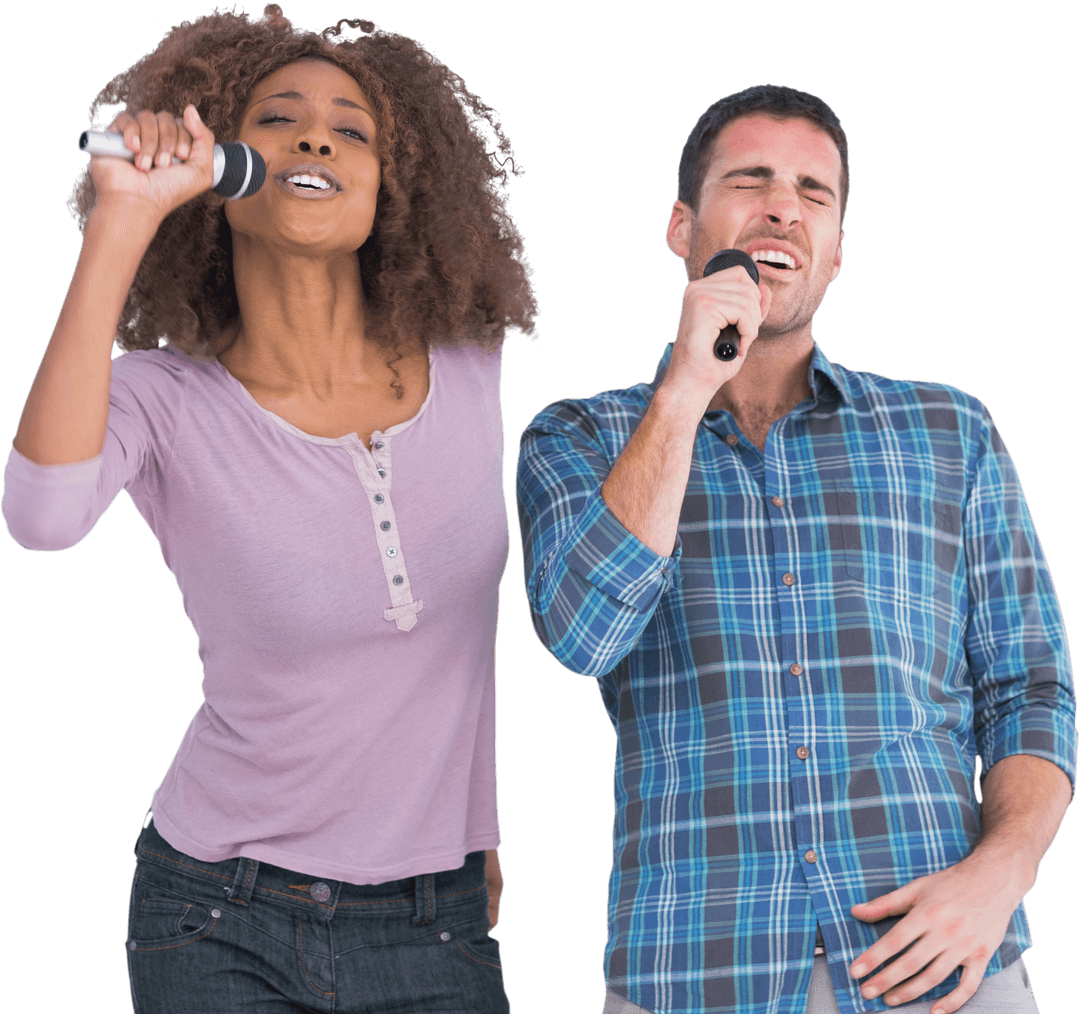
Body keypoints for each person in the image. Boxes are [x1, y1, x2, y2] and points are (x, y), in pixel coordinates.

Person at [2, 5, 536, 1012]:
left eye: (352, 128)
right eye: (278, 118)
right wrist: (123, 219)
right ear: (220, 177)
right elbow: (42, 515)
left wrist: (472, 825)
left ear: (395, 187)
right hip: (216, 909)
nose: (316, 136)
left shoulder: (473, 362)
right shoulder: (164, 399)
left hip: (438, 914)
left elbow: (454, 652)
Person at [516, 84, 1075, 1014]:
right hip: (694, 972)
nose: (784, 206)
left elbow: (1032, 686)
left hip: (946, 974)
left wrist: (1004, 870)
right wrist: (688, 387)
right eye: (752, 180)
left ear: (838, 251)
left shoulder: (951, 431)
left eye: (815, 194)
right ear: (681, 228)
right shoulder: (578, 437)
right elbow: (583, 635)